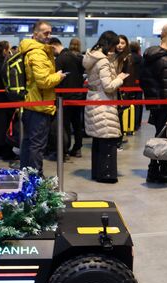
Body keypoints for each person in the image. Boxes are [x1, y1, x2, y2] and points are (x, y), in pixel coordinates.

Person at [18, 20, 65, 176]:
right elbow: (44, 81)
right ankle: (35, 180)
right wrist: (58, 76)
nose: (49, 35)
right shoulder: (37, 53)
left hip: (32, 103)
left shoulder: (33, 50)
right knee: (36, 145)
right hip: (39, 104)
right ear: (35, 33)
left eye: (50, 32)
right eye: (45, 32)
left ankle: (27, 178)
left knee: (29, 143)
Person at [83, 30, 128, 183]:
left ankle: (98, 172)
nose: (116, 48)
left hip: (94, 101)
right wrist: (120, 78)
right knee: (108, 141)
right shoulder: (103, 61)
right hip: (104, 103)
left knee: (98, 142)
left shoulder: (92, 57)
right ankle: (107, 174)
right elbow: (108, 86)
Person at [141, 29, 167, 183]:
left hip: (153, 101)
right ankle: (153, 170)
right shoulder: (166, 60)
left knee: (161, 134)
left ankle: (164, 166)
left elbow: (143, 80)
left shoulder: (149, 57)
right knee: (162, 137)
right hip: (163, 103)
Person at [49, 37, 85, 158]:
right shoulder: (79, 57)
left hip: (65, 97)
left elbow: (56, 78)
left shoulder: (60, 59)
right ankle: (78, 148)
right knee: (77, 123)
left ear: (54, 46)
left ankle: (64, 149)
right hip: (79, 95)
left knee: (65, 124)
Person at [0, 40, 17, 160]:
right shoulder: (5, 65)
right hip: (5, 100)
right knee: (5, 126)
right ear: (6, 50)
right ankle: (6, 151)